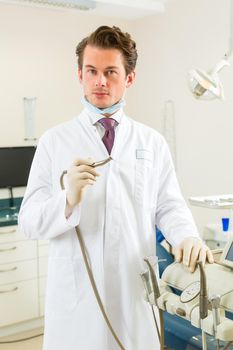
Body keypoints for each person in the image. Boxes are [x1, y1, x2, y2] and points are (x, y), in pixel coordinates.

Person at [18, 25, 214, 350]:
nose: (100, 81)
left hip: (134, 293)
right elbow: (28, 221)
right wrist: (66, 201)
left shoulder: (151, 142)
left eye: (111, 72)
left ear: (129, 78)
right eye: (92, 71)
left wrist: (187, 237)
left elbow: (169, 206)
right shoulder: (55, 142)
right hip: (77, 299)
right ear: (79, 74)